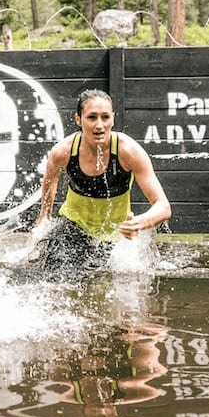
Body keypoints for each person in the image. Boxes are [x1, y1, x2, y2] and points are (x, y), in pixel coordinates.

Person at [28, 89, 171, 279]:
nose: (99, 125)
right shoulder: (63, 152)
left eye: (105, 117)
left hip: (115, 236)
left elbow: (163, 206)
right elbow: (50, 184)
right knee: (54, 280)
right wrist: (43, 220)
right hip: (73, 228)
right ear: (78, 120)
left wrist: (139, 223)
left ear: (113, 118)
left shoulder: (128, 151)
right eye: (92, 117)